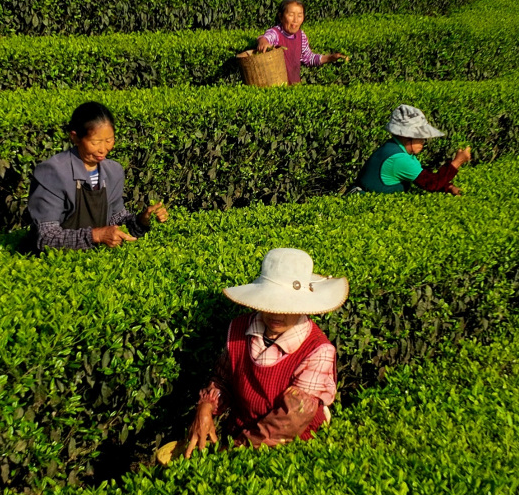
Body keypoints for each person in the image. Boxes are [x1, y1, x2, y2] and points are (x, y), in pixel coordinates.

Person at [185, 248, 346, 453]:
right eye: (269, 303)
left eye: (286, 305)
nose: (275, 312)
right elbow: (223, 378)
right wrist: (206, 406)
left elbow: (290, 419)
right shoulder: (239, 329)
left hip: (291, 446)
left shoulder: (317, 350)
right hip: (241, 432)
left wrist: (236, 448)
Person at [24, 101, 169, 252]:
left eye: (109, 141)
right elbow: (46, 237)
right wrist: (96, 235)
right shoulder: (53, 173)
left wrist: (142, 220)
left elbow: (116, 218)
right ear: (75, 137)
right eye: (95, 142)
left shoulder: (114, 171)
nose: (103, 149)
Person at [356, 105, 473, 195]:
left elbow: (425, 177)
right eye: (420, 137)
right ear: (407, 137)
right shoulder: (399, 159)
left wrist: (449, 187)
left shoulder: (397, 149)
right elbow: (431, 184)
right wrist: (457, 162)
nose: (423, 140)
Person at [255, 0, 347, 85]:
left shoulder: (301, 36)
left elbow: (309, 58)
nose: (295, 20)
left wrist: (331, 57)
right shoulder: (276, 33)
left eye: (299, 15)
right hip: (276, 86)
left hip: (295, 85)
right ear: (281, 17)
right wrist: (263, 41)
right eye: (291, 15)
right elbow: (265, 38)